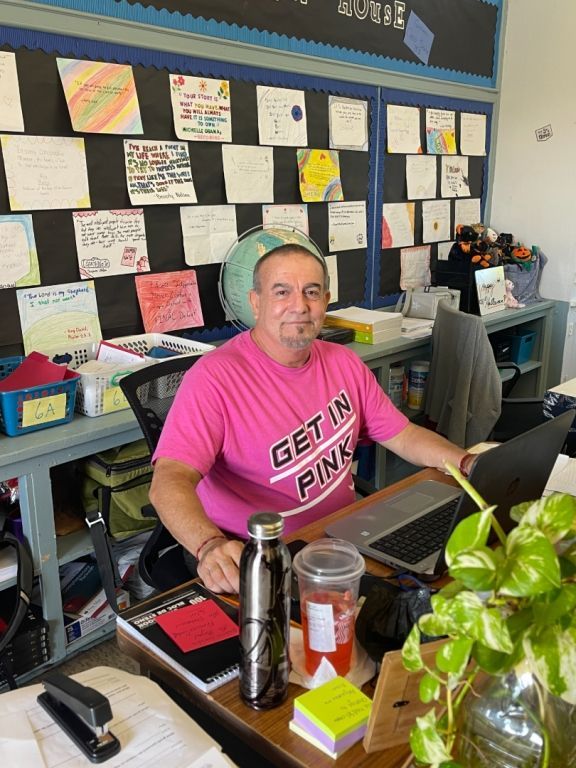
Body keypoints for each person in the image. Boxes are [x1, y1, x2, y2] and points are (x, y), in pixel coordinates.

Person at [150, 244, 474, 594]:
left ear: (326, 301)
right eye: (282, 292)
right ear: (256, 302)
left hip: (344, 535)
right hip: (260, 553)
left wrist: (466, 462)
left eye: (311, 292)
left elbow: (403, 435)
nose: (299, 306)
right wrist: (209, 545)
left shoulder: (344, 363)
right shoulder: (214, 379)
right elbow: (169, 480)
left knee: (444, 583)